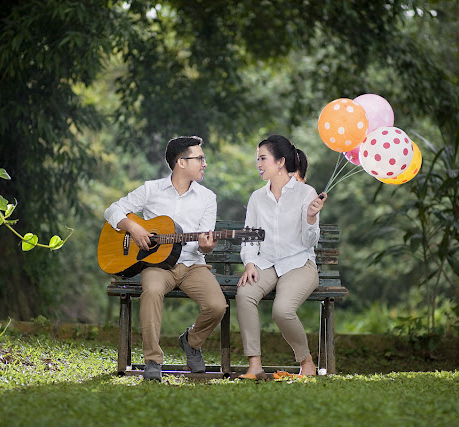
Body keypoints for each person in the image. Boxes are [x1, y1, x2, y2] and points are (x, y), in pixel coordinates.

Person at [104, 136, 227, 381]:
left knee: (217, 306)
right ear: (181, 162)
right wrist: (133, 228)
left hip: (193, 265)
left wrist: (206, 247)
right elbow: (112, 210)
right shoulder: (151, 190)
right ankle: (152, 360)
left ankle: (191, 341)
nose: (205, 163)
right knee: (151, 292)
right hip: (158, 265)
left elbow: (205, 245)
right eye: (200, 158)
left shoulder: (207, 198)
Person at [236, 134, 326, 379]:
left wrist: (310, 217)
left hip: (299, 264)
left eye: (263, 158)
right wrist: (250, 263)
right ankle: (254, 365)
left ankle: (306, 361)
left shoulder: (306, 193)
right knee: (245, 294)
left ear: (280, 162)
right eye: (258, 159)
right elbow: (249, 238)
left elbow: (309, 241)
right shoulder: (257, 197)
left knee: (282, 310)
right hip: (266, 264)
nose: (259, 164)